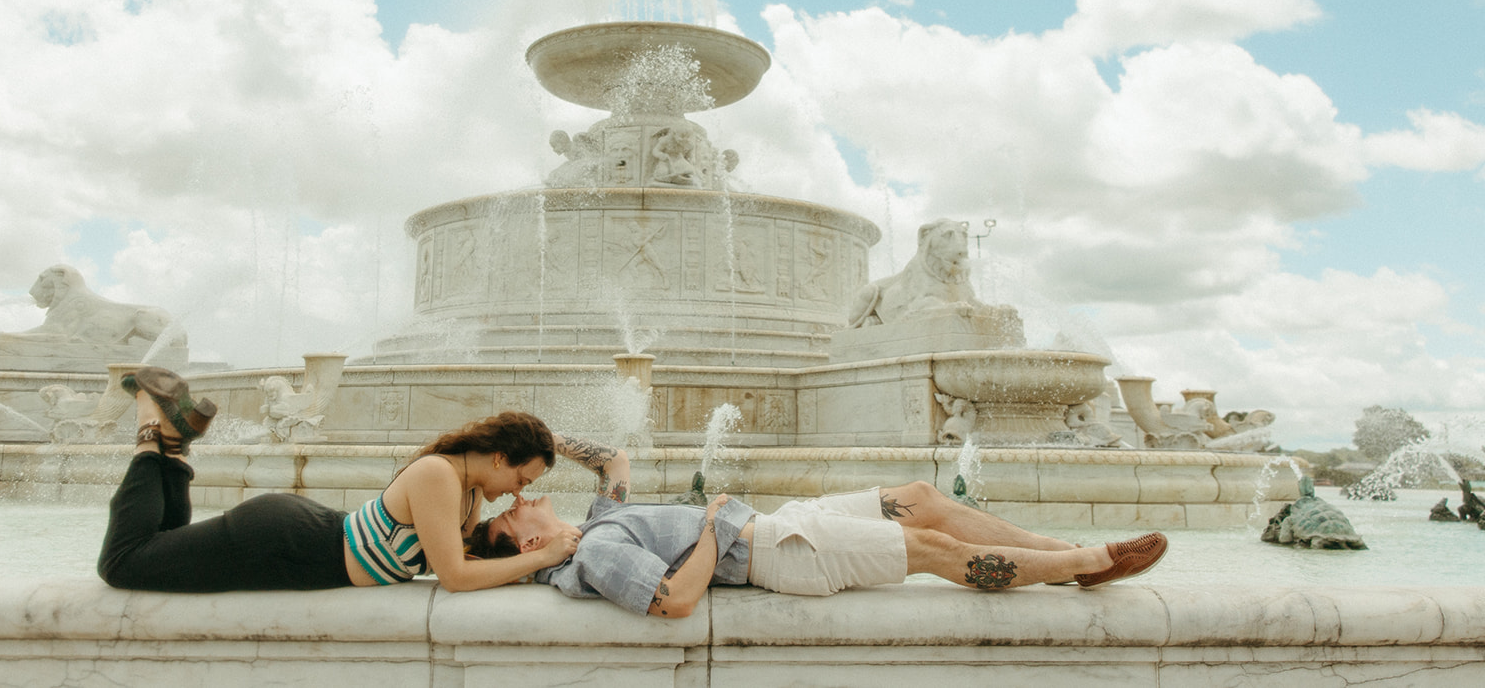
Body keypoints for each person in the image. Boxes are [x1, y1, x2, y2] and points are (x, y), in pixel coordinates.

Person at [466, 438, 1168, 617]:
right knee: (932, 547)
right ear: (526, 544)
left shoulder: (600, 518)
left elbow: (613, 456)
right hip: (776, 553)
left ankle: (1066, 550)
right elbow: (672, 600)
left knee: (919, 496)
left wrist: (532, 444)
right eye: (511, 508)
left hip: (778, 524)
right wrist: (711, 525)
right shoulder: (595, 553)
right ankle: (1081, 565)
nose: (522, 495)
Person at [97, 366, 580, 592]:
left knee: (165, 544)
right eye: (522, 476)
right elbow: (454, 576)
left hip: (299, 540)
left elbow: (473, 563)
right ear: (498, 458)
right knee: (124, 564)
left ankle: (175, 448)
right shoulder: (440, 476)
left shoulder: (469, 489)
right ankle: (148, 424)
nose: (520, 491)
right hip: (283, 542)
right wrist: (551, 552)